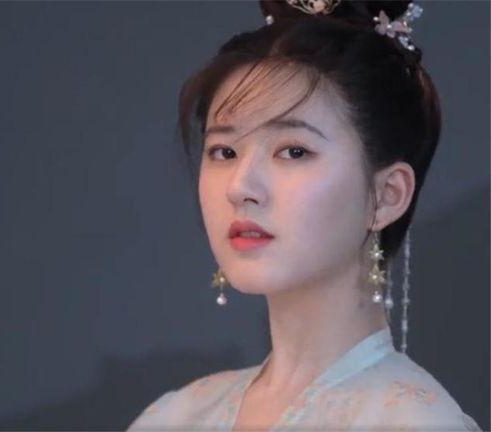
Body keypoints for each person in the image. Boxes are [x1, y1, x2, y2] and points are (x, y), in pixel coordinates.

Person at [127, 1, 482, 430]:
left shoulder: (411, 423)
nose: (240, 187)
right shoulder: (175, 417)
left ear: (387, 195)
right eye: (224, 151)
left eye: (294, 151)